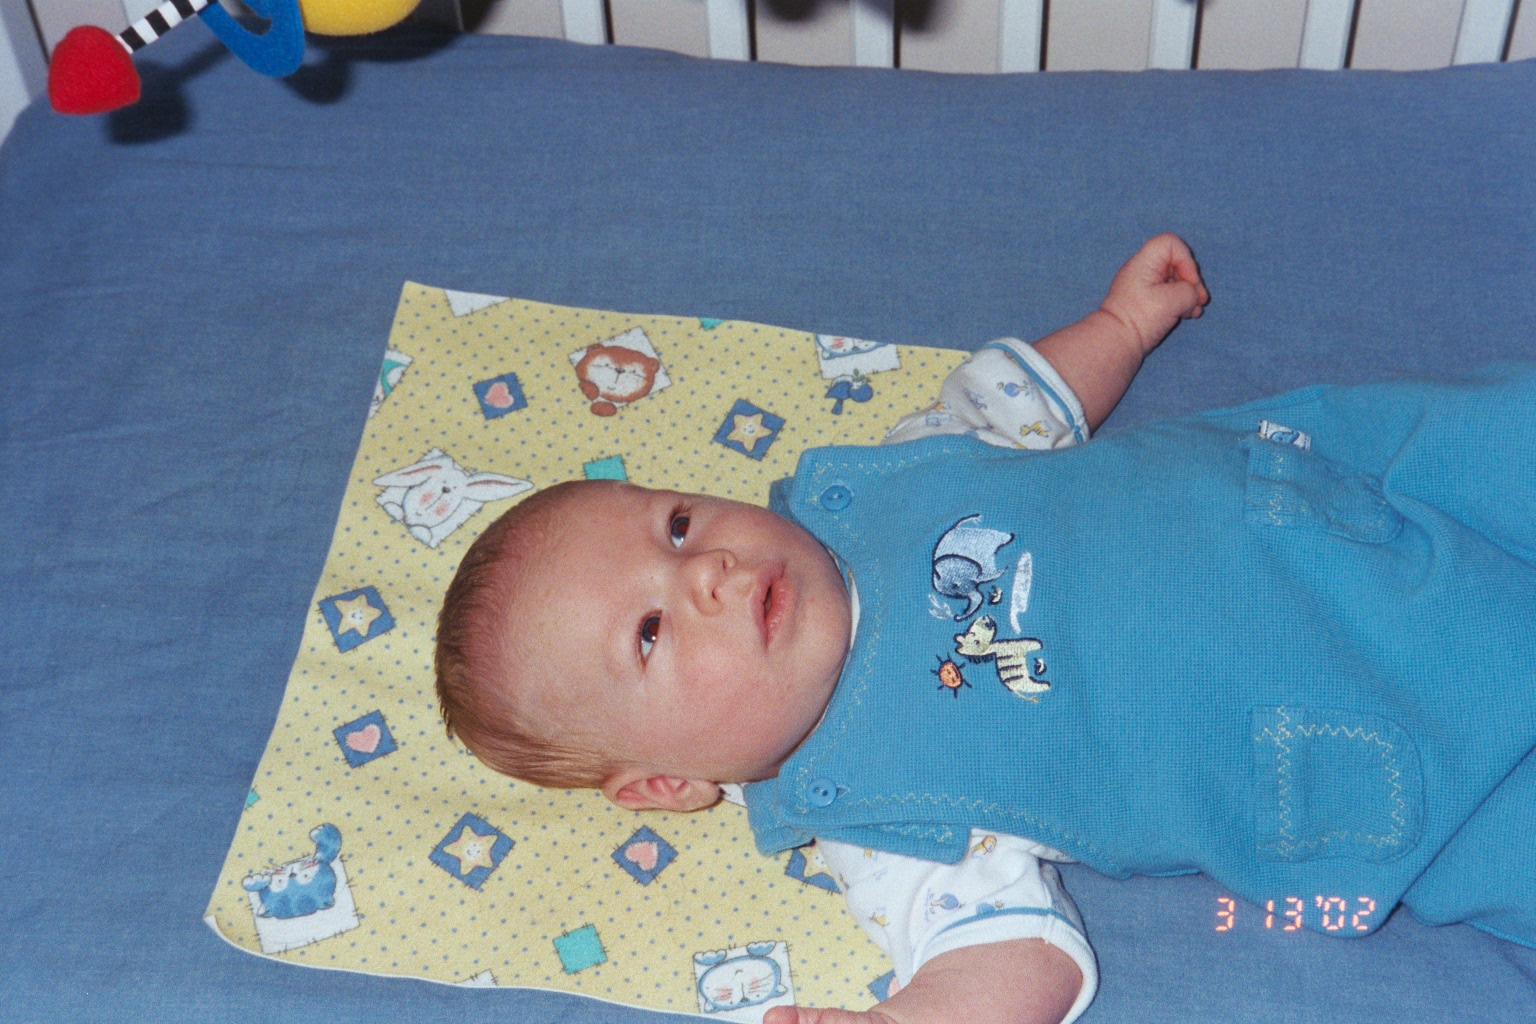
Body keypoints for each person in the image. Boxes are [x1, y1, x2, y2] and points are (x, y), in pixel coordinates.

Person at [434, 235, 1536, 1024]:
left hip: (1336, 487)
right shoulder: (882, 821)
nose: (707, 573)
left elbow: (1019, 401)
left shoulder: (875, 481)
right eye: (650, 632)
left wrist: (1119, 326)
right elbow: (1012, 957)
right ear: (667, 784)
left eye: (675, 526)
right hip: (1348, 734)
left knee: (1499, 435)